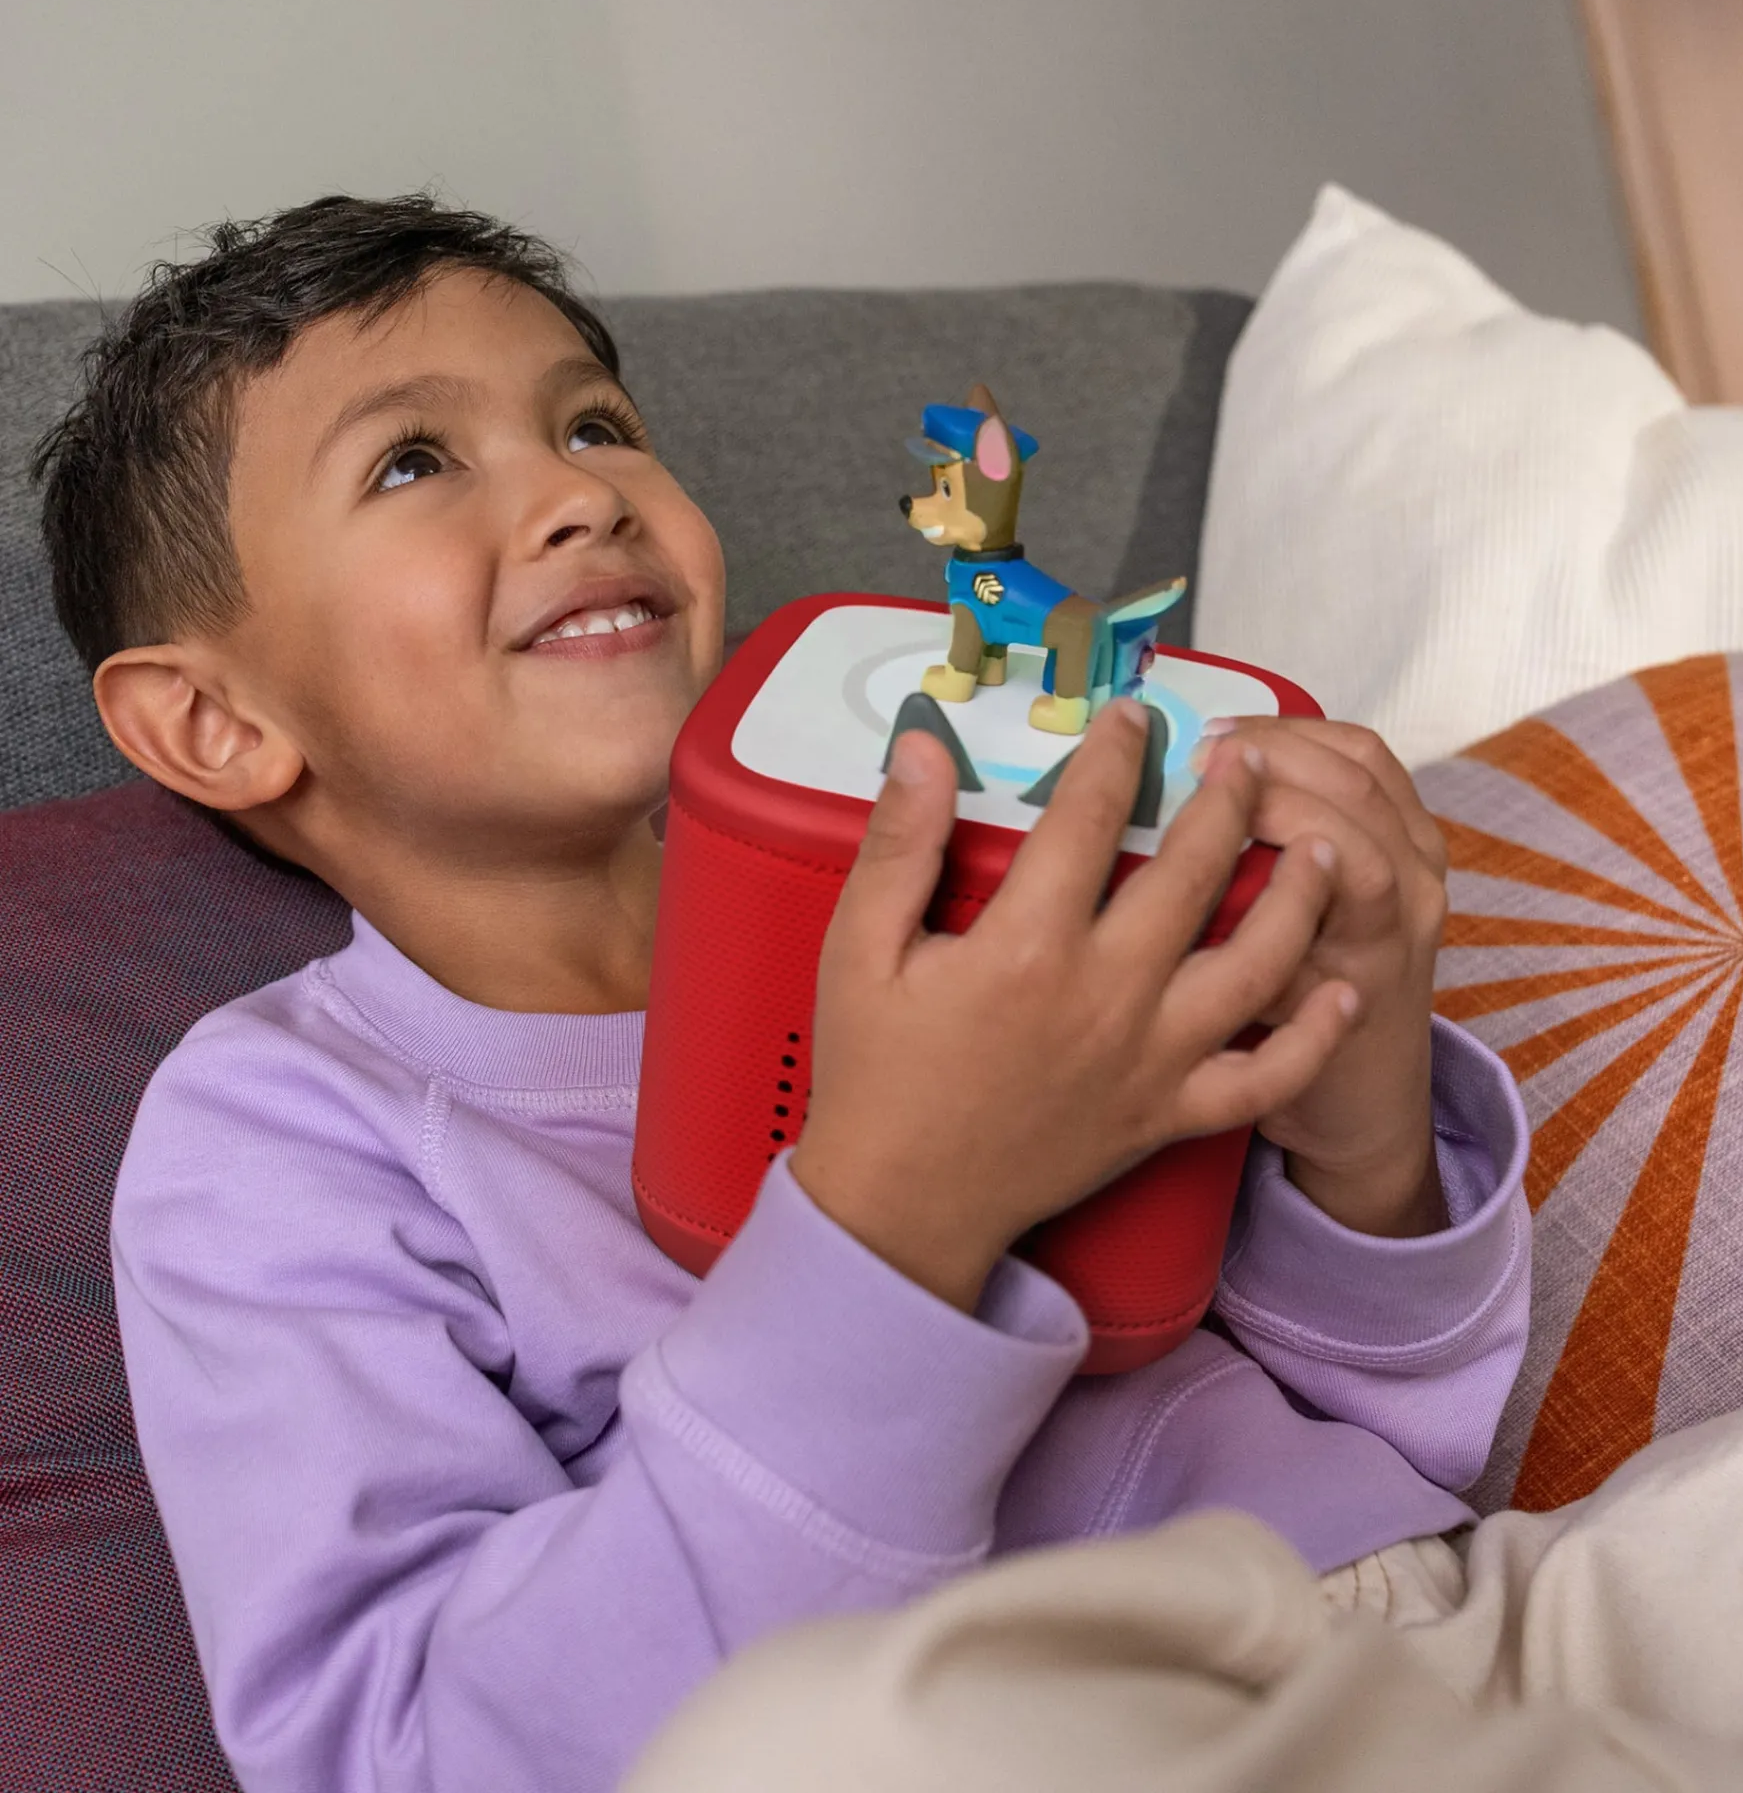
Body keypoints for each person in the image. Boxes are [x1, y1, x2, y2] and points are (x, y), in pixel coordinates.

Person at [35, 194, 1529, 1793]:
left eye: (597, 426)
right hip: (1021, 1736)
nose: (581, 492)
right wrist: (899, 1214)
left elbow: (1404, 1429)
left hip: (1439, 1619)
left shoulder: (969, 876)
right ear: (212, 724)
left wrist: (1360, 1113)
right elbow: (407, 1754)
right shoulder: (277, 1135)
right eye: (412, 462)